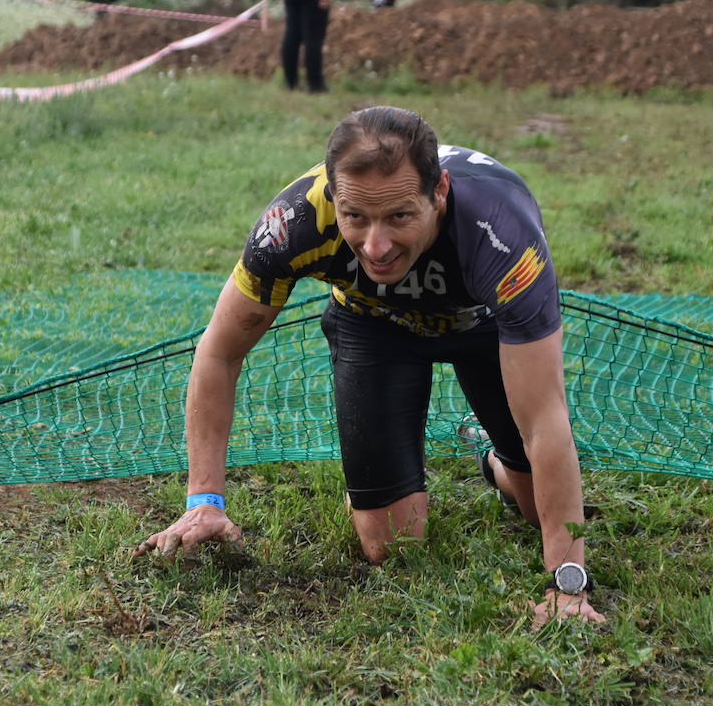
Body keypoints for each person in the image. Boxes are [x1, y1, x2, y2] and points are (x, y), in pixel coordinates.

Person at [136, 107, 606, 629]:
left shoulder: (501, 236)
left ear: (440, 193)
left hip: (480, 329)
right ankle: (481, 462)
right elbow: (219, 353)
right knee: (390, 545)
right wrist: (204, 500)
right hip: (373, 325)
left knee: (531, 504)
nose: (375, 247)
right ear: (334, 198)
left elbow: (546, 419)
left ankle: (496, 463)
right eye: (355, 217)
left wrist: (568, 585)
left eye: (400, 217)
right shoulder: (294, 221)